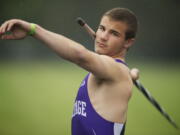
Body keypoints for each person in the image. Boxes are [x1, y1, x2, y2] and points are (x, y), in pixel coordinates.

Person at [0, 7, 139, 135]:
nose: (103, 36)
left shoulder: (116, 70)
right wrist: (131, 74)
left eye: (114, 33)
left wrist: (33, 30)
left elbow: (80, 56)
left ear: (128, 42)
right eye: (102, 28)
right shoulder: (116, 72)